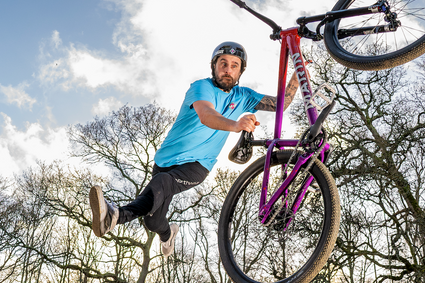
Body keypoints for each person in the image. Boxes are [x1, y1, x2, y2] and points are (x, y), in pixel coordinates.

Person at [89, 41, 298, 258]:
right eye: (223, 63)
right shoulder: (201, 87)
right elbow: (207, 115)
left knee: (162, 184)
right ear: (214, 66)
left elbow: (280, 104)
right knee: (153, 221)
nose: (228, 70)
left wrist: (300, 73)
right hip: (165, 160)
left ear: (240, 71)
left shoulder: (243, 96)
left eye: (234, 65)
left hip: (198, 165)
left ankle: (115, 216)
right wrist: (236, 125)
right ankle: (168, 234)